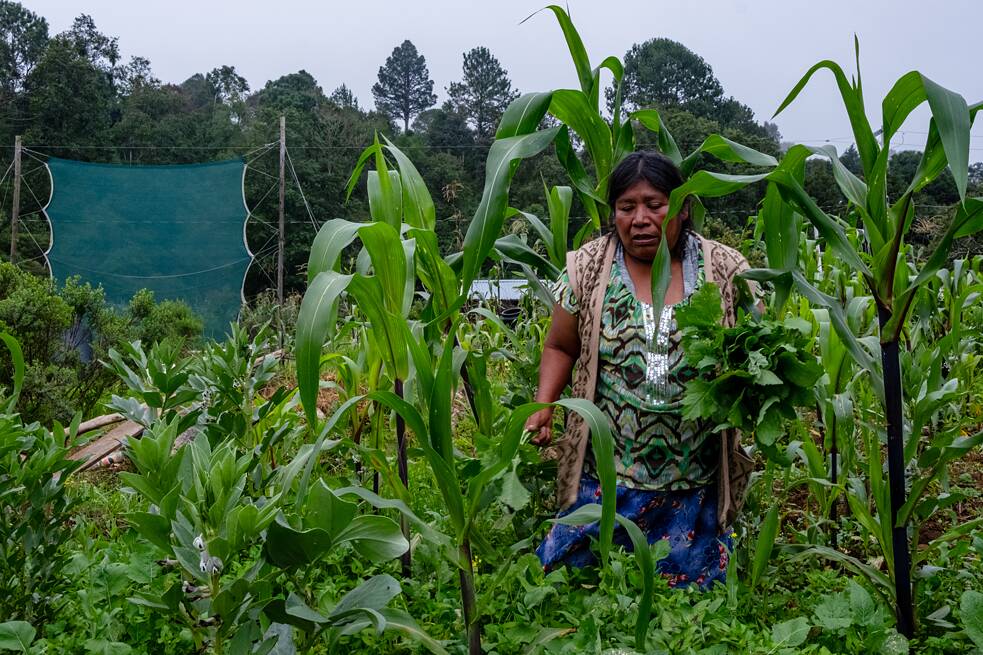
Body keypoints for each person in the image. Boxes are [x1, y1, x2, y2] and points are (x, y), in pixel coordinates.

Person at [524, 151, 754, 588]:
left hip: (694, 481)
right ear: (614, 213)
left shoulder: (723, 269)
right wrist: (544, 405)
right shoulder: (588, 268)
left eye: (655, 204)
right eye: (627, 207)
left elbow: (755, 342)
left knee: (695, 596)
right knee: (573, 582)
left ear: (684, 207)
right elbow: (559, 344)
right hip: (606, 476)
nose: (641, 219)